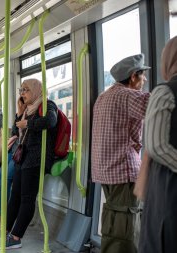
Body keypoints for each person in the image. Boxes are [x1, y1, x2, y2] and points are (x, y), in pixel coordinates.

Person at [91, 54, 151, 253]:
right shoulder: (128, 95)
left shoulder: (103, 97)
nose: (145, 81)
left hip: (105, 171)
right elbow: (156, 107)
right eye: (143, 76)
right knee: (126, 227)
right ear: (133, 76)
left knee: (113, 219)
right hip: (122, 170)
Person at [0, 79, 58, 250]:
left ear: (36, 90)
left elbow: (50, 121)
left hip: (37, 158)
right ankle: (5, 230)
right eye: (21, 89)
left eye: (26, 90)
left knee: (27, 199)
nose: (22, 93)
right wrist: (19, 113)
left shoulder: (47, 105)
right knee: (15, 196)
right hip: (23, 157)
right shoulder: (27, 109)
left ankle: (16, 237)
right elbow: (15, 131)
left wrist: (28, 123)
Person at [139, 37, 177, 253]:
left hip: (167, 186)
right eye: (141, 75)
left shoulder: (164, 92)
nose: (144, 79)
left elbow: (155, 145)